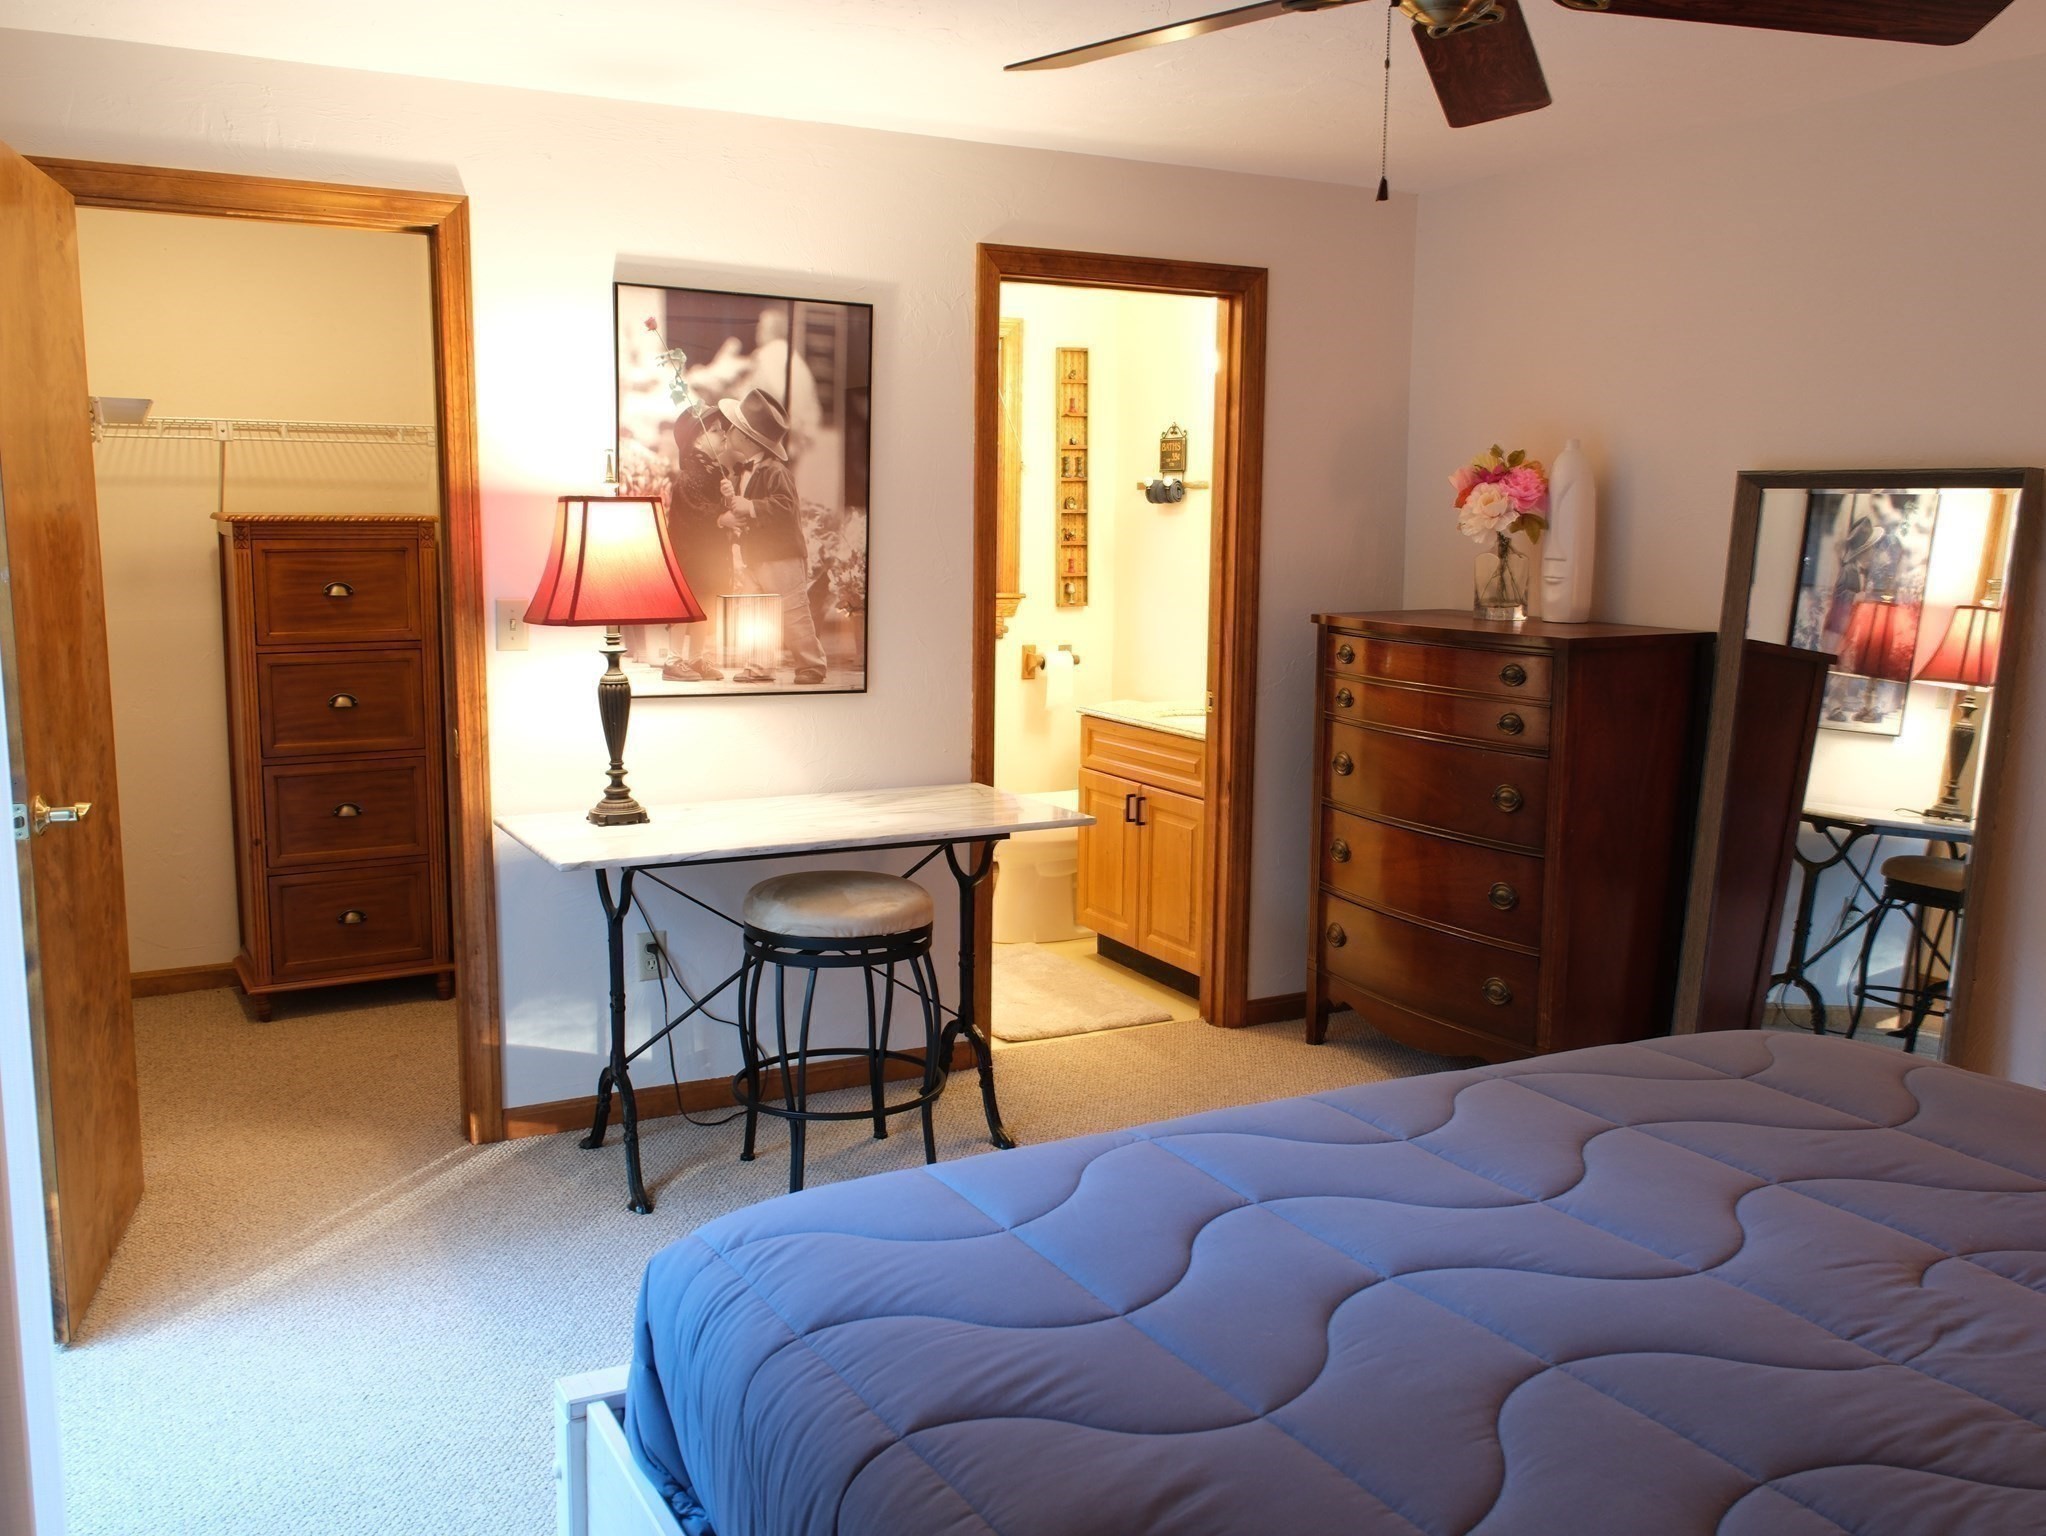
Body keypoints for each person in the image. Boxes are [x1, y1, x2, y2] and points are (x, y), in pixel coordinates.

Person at [714, 389, 827, 684]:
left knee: (792, 610)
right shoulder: (743, 472)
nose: (727, 431)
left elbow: (786, 507)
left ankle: (811, 664)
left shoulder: (776, 471)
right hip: (756, 555)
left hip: (782, 556)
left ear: (747, 437)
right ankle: (759, 666)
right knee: (755, 611)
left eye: (733, 427)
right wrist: (732, 499)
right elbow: (744, 507)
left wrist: (751, 506)